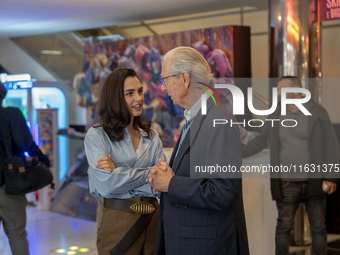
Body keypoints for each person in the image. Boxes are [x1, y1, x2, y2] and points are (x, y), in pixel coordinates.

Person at [148, 47, 249, 255]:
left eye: (165, 79)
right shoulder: (195, 118)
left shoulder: (218, 119)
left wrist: (171, 183)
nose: (164, 88)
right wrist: (165, 178)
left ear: (184, 79)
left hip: (205, 245)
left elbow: (222, 191)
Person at [242, 76, 339, 255]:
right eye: (278, 90)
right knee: (284, 228)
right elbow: (261, 140)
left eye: (283, 89)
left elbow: (331, 146)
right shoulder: (276, 113)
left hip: (314, 180)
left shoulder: (318, 112)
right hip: (286, 182)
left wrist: (332, 176)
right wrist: (237, 153)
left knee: (318, 228)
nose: (279, 93)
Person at [84, 68, 166, 255]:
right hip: (118, 222)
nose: (138, 98)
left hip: (154, 220)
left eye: (140, 91)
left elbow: (163, 182)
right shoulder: (97, 135)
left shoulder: (151, 136)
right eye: (129, 93)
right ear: (115, 98)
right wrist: (149, 173)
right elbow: (107, 186)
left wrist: (118, 171)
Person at [0, 81, 51, 255]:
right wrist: (44, 161)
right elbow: (26, 144)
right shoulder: (10, 114)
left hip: (7, 184)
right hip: (9, 185)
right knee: (17, 234)